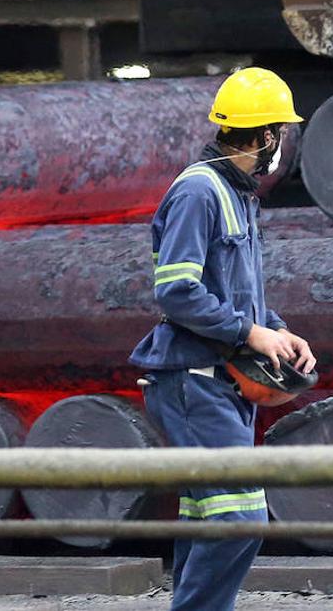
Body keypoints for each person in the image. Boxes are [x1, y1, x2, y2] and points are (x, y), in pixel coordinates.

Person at [130, 67, 316, 611]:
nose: (282, 144)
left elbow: (233, 290)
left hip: (220, 386)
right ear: (264, 137)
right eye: (280, 133)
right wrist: (249, 331)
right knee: (238, 518)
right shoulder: (199, 192)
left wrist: (277, 331)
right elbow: (177, 291)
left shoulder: (237, 196)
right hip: (193, 383)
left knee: (209, 519)